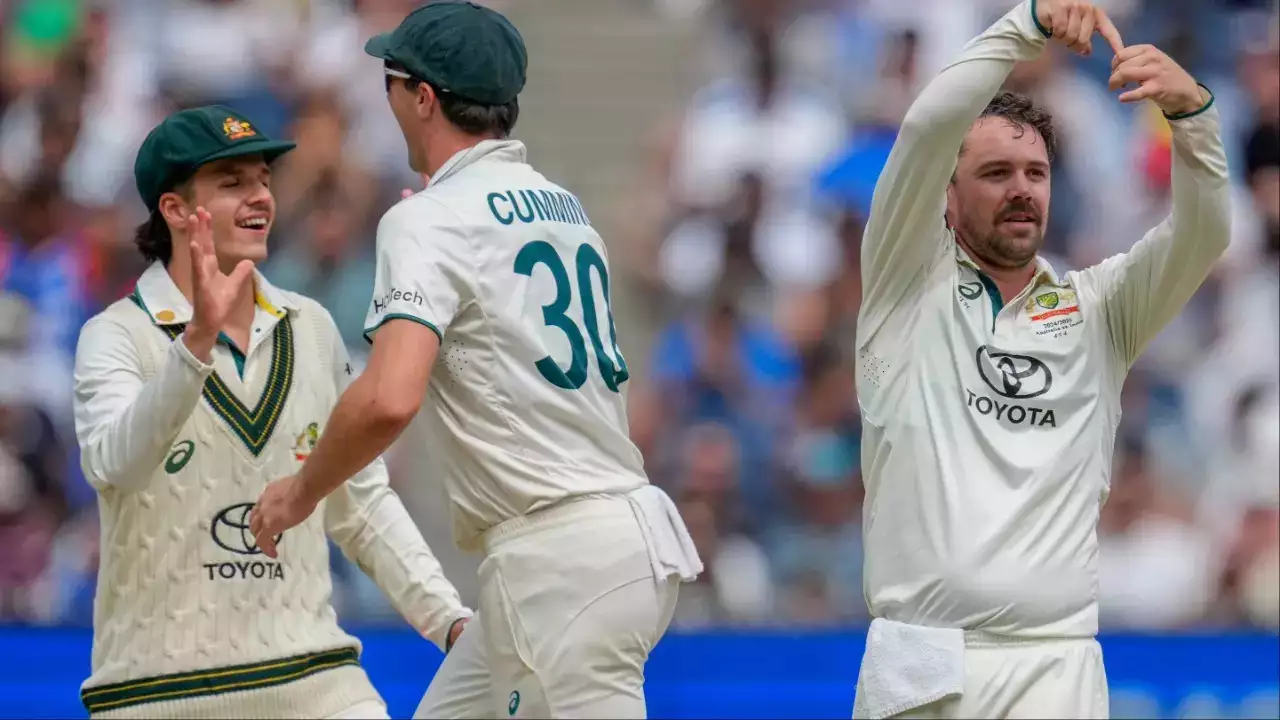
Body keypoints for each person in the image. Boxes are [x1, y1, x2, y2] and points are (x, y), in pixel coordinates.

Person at [249, 2, 703, 718]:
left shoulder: (428, 220)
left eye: (392, 79)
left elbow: (389, 398)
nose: (387, 96)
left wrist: (300, 494)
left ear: (424, 97)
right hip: (606, 545)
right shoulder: (563, 206)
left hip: (560, 563)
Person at [849, 0, 1229, 718]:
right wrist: (1023, 24)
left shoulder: (1099, 309)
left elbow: (1205, 233)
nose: (1022, 188)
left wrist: (1194, 119)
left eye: (1036, 173)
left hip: (1057, 666)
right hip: (924, 664)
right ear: (947, 196)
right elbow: (930, 126)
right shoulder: (905, 284)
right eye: (995, 172)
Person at [72, 105, 472, 719]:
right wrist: (196, 344)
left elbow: (359, 503)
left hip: (317, 684)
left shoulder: (310, 327)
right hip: (155, 696)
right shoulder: (116, 336)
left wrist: (448, 620)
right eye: (232, 183)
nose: (259, 197)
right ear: (175, 211)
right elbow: (113, 465)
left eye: (262, 179)